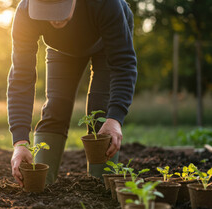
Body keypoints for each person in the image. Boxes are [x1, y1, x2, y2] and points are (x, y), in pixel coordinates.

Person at [8, 0, 137, 186]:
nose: (53, 19)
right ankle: (41, 184)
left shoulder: (106, 4)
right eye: (46, 11)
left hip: (106, 44)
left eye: (58, 9)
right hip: (63, 50)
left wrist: (115, 117)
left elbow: (123, 64)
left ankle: (100, 186)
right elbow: (21, 77)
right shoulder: (26, 11)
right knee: (56, 107)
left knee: (100, 112)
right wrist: (20, 142)